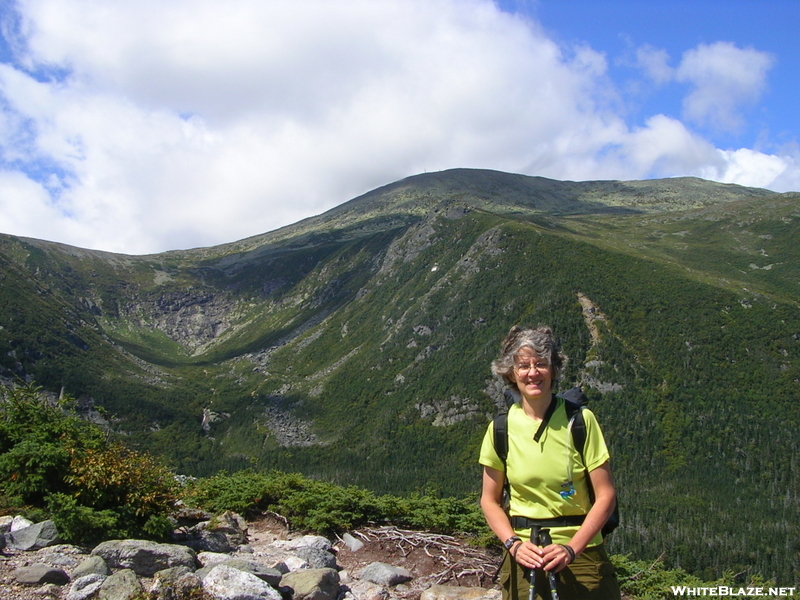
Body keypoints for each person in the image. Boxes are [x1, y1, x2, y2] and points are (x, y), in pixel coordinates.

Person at [479, 325, 620, 600]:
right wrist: (514, 544)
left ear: (553, 369)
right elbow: (489, 500)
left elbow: (606, 495)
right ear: (511, 372)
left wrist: (571, 549)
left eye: (541, 364)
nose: (533, 373)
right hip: (524, 556)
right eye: (523, 366)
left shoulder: (580, 421)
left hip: (582, 554)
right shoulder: (500, 429)